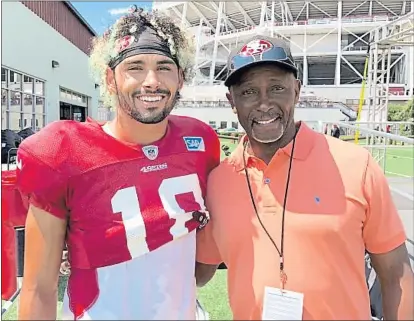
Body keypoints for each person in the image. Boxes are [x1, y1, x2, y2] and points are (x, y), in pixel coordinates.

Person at [16, 7, 220, 320]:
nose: (151, 81)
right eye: (135, 67)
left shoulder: (200, 140)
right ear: (110, 78)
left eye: (164, 67)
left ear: (181, 78)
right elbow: (39, 288)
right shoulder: (62, 150)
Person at [195, 35, 414, 320]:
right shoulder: (217, 181)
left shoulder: (355, 165)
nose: (264, 104)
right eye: (249, 92)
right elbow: (199, 272)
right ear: (232, 101)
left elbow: (396, 272)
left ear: (296, 91)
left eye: (277, 88)